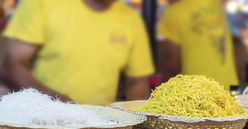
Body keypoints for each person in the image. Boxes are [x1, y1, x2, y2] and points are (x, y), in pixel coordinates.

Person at [0, 0, 154, 105]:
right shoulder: (42, 3)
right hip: (38, 126)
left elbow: (137, 82)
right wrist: (61, 103)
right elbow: (11, 67)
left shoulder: (131, 19)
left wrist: (136, 124)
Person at [157, 0, 238, 90]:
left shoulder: (174, 14)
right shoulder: (214, 2)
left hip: (198, 96)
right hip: (230, 90)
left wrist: (162, 95)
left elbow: (171, 67)